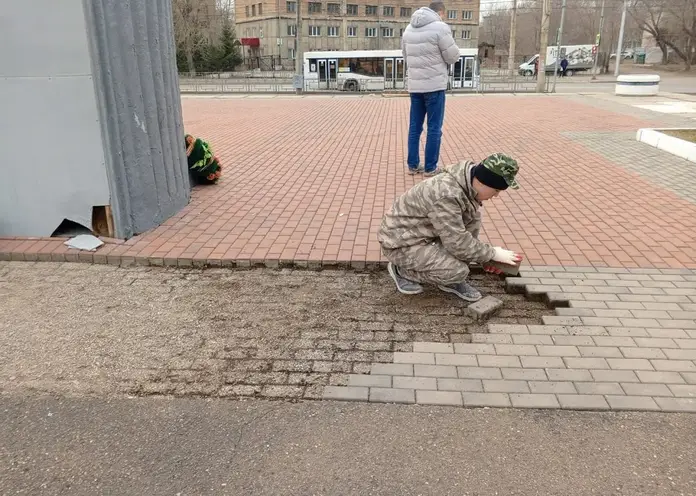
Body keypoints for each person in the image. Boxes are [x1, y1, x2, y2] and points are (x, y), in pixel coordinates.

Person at [377, 153, 523, 302]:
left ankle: (449, 279)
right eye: (496, 190)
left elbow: (463, 234)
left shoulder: (466, 185)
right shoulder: (447, 195)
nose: (496, 195)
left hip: (423, 235)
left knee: (472, 221)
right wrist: (492, 254)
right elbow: (457, 243)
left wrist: (484, 258)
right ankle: (402, 271)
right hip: (400, 243)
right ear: (484, 182)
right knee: (457, 271)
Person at [401, 1, 460, 177]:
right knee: (434, 128)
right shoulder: (440, 28)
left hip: (415, 87)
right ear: (440, 12)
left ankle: (412, 165)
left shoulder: (408, 30)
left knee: (415, 126)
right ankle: (430, 168)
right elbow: (452, 56)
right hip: (434, 86)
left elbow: (405, 56)